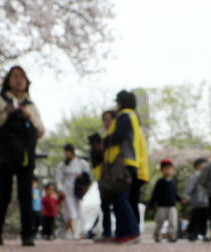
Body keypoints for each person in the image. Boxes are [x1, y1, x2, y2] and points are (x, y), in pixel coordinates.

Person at [0, 65, 45, 246]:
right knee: (4, 195)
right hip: (4, 156)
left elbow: (41, 131)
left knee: (25, 196)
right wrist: (4, 115)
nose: (19, 80)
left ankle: (27, 235)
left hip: (25, 157)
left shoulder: (31, 106)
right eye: (15, 76)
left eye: (22, 76)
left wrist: (29, 116)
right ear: (8, 79)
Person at [95, 91, 148, 243]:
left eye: (117, 103)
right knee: (120, 200)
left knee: (121, 199)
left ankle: (133, 232)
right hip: (130, 162)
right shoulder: (133, 117)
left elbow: (120, 135)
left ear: (121, 103)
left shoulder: (125, 115)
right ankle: (122, 233)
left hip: (124, 163)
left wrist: (105, 142)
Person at [89, 110, 117, 242]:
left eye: (108, 119)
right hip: (102, 180)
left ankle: (117, 231)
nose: (106, 122)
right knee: (105, 206)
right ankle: (107, 232)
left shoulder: (112, 138)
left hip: (113, 178)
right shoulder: (99, 148)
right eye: (104, 119)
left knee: (116, 205)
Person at [55, 144, 90, 240]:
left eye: (68, 151)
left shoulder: (81, 163)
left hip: (77, 190)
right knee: (70, 212)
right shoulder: (63, 165)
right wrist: (60, 189)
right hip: (67, 190)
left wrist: (82, 178)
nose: (66, 153)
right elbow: (58, 179)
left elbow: (87, 176)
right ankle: (75, 234)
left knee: (77, 212)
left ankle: (65, 233)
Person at [150, 159, 181, 243]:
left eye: (170, 168)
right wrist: (151, 205)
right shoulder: (159, 182)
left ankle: (171, 235)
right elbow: (155, 195)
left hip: (172, 205)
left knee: (173, 222)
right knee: (159, 221)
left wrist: (181, 199)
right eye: (166, 168)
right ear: (161, 170)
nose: (168, 170)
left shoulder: (173, 183)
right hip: (161, 206)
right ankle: (156, 234)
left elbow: (175, 194)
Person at [183, 158, 209, 241]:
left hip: (206, 202)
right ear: (198, 166)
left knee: (204, 219)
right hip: (197, 201)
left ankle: (204, 234)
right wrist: (185, 195)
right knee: (194, 218)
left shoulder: (207, 176)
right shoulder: (196, 175)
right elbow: (190, 186)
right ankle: (190, 233)